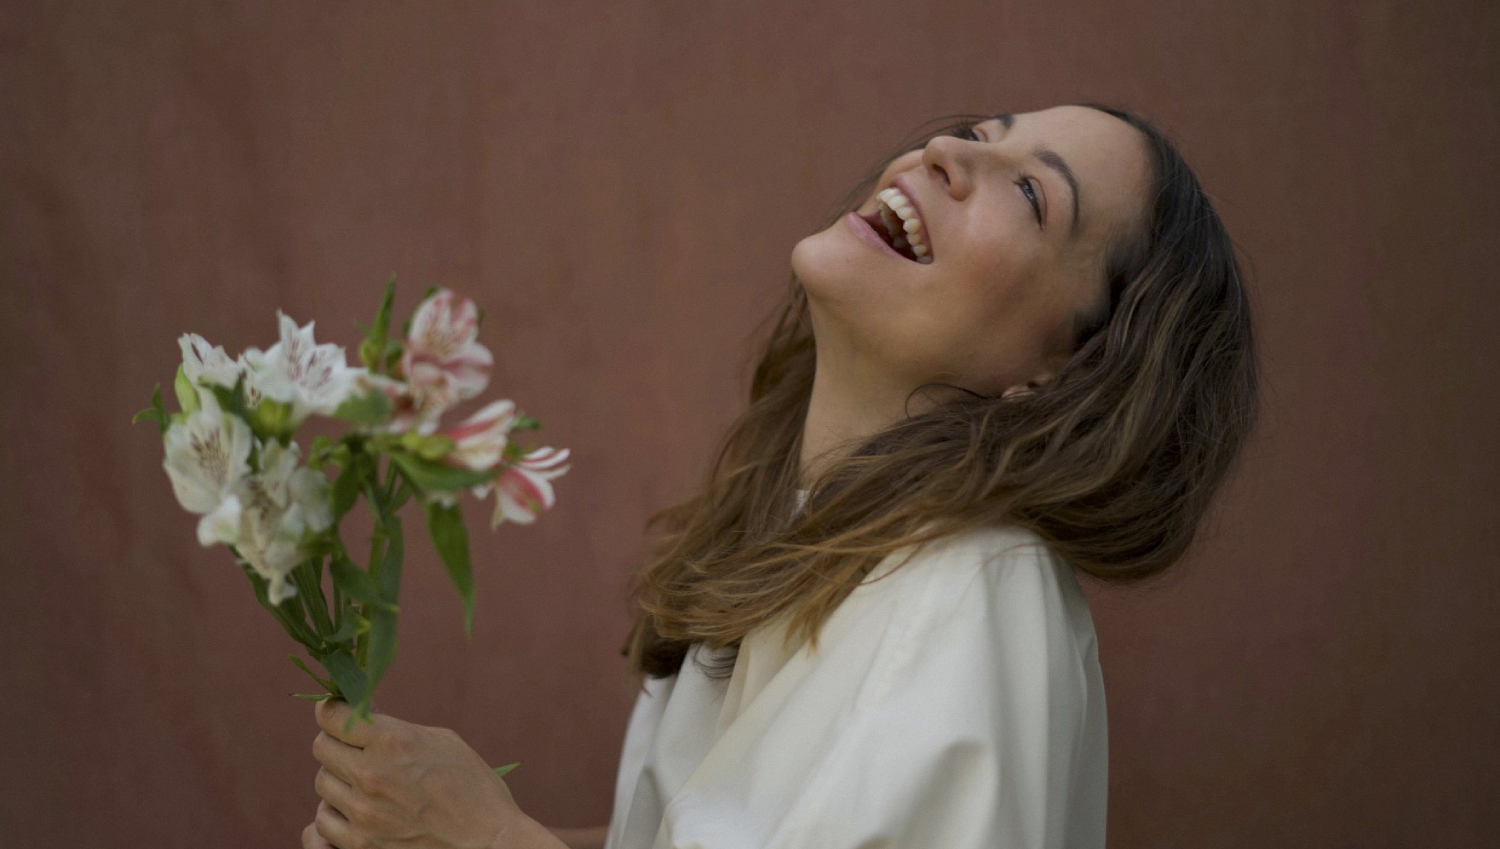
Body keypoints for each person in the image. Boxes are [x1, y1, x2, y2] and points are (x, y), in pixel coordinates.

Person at [304, 103, 1260, 849]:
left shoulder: (976, 591)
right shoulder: (805, 536)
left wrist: (488, 837)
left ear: (1067, 371)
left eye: (1030, 196)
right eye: (976, 132)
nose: (942, 151)